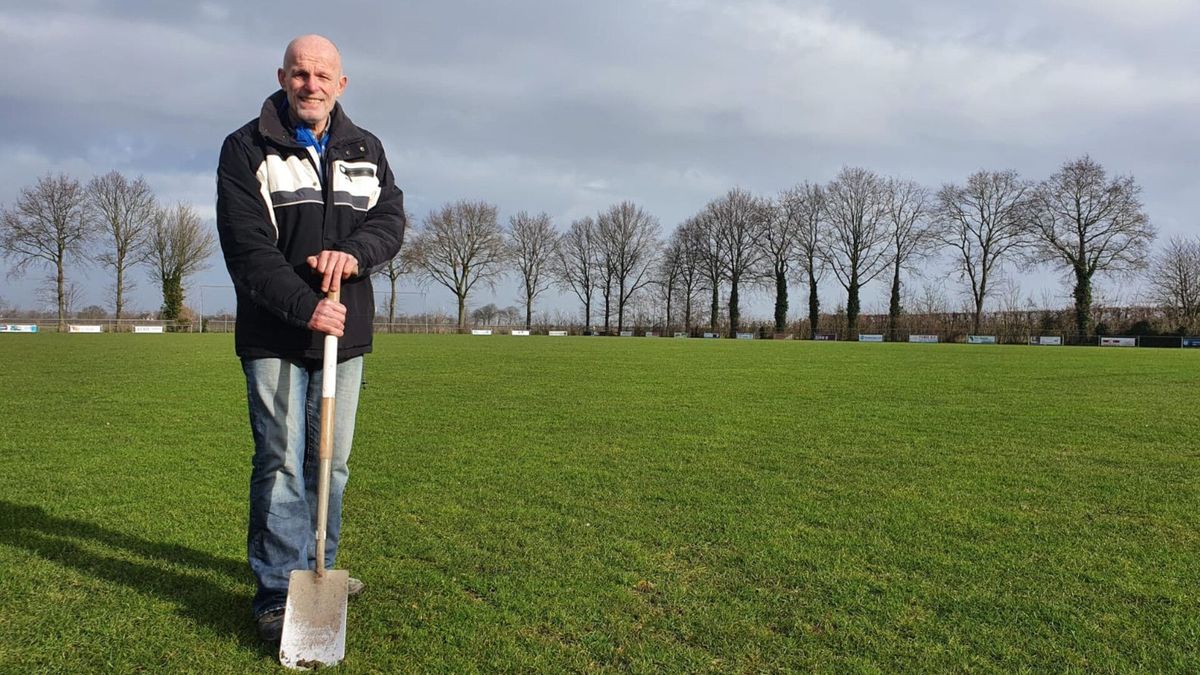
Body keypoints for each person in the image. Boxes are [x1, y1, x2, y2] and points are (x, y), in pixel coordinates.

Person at [215, 34, 405, 646]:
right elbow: (247, 250)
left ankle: (320, 563)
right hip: (274, 333)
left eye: (323, 74)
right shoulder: (246, 149)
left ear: (341, 83)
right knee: (280, 464)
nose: (311, 84)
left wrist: (352, 255)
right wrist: (305, 308)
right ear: (282, 76)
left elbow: (390, 220)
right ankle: (277, 590)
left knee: (332, 463)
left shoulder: (365, 148)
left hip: (343, 338)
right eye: (300, 73)